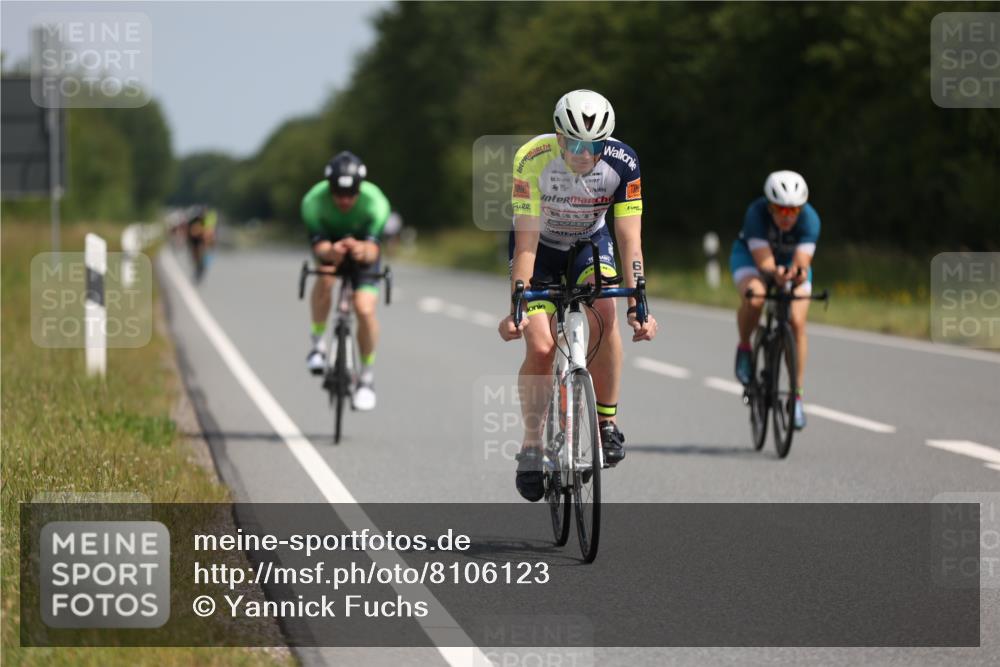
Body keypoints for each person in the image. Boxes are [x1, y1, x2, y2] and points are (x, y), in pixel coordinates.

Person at [498, 89, 658, 502]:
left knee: (605, 312)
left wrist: (638, 304)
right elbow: (526, 243)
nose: (584, 154)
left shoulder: (623, 162)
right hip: (540, 248)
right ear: (558, 136)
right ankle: (532, 446)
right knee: (541, 346)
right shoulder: (532, 158)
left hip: (590, 243)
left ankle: (606, 422)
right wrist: (517, 305)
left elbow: (630, 240)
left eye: (593, 146)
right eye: (573, 144)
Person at [730, 170, 821, 430]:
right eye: (781, 209)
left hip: (789, 264)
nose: (787, 216)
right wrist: (775, 274)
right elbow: (764, 262)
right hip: (751, 259)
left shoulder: (811, 219)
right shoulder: (756, 214)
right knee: (755, 298)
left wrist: (797, 274)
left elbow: (802, 261)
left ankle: (796, 397)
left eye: (793, 210)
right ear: (770, 206)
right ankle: (745, 347)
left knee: (797, 322)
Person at [301, 151, 390, 411]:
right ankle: (318, 346)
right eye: (338, 194)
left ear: (360, 189)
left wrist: (362, 250)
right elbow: (318, 247)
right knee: (326, 277)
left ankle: (366, 379)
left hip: (363, 248)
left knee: (364, 308)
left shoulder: (376, 202)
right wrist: (331, 252)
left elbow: (374, 250)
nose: (344, 200)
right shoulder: (312, 202)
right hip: (330, 247)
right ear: (329, 188)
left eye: (351, 194)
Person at [186, 205, 218, 282]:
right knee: (195, 256)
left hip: (202, 240)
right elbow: (191, 233)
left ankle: (201, 267)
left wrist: (210, 242)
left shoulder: (207, 220)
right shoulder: (194, 220)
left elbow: (210, 232)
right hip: (194, 240)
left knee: (203, 254)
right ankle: (198, 267)